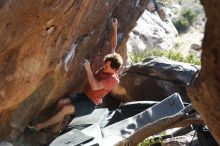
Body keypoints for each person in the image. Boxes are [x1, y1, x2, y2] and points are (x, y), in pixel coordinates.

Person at [28, 18, 123, 132]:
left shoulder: (112, 80)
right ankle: (56, 127)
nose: (104, 66)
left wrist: (88, 69)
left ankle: (39, 127)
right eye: (105, 64)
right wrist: (115, 28)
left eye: (107, 66)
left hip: (89, 104)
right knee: (61, 103)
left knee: (65, 109)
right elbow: (113, 46)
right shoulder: (111, 62)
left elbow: (95, 86)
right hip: (83, 95)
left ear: (114, 69)